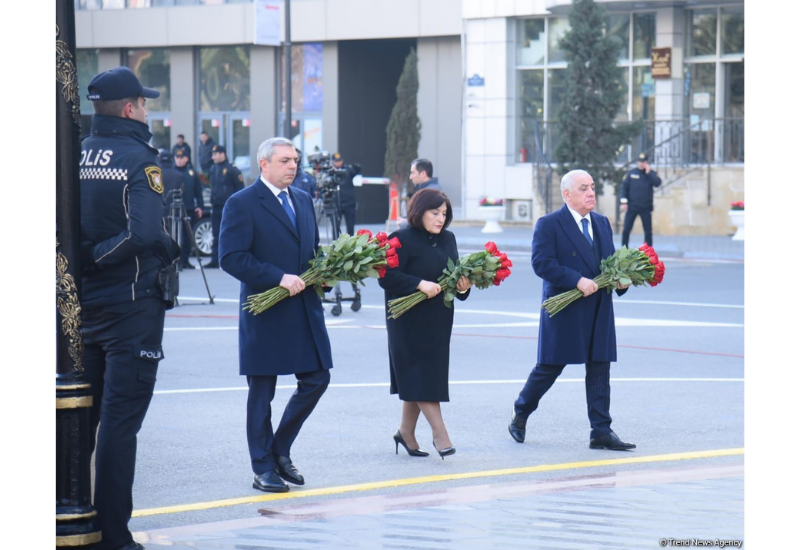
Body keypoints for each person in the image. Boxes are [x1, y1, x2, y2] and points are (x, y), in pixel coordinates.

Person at [79, 66, 180, 550]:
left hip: (79, 307)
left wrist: (80, 263)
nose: (147, 108)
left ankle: (71, 518)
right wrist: (101, 257)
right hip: (132, 306)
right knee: (119, 425)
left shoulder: (72, 153)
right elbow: (142, 233)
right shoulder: (141, 159)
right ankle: (112, 536)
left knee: (79, 420)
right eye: (143, 102)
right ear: (128, 108)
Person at [219, 137, 332, 493]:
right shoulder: (242, 203)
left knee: (317, 379)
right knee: (262, 391)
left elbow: (310, 251)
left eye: (295, 160)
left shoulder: (302, 199)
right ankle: (263, 467)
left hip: (303, 308)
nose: (293, 166)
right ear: (263, 164)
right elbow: (231, 257)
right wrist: (277, 277)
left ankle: (279, 450)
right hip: (266, 310)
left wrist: (323, 274)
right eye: (285, 160)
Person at [508, 169, 635, 451]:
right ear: (567, 195)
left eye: (592, 187)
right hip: (566, 304)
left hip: (598, 305)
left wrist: (624, 279)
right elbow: (542, 263)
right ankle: (520, 414)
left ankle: (601, 430)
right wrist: (576, 280)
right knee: (550, 366)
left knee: (600, 366)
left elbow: (609, 264)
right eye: (583, 189)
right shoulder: (549, 224)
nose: (591, 193)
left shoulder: (602, 223)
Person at [378, 188, 472, 459]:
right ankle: (440, 435)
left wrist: (464, 287)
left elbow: (454, 278)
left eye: (444, 213)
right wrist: (418, 284)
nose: (441, 218)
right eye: (435, 212)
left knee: (421, 376)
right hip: (407, 320)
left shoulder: (448, 239)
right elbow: (386, 277)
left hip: (439, 319)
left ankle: (405, 432)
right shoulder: (401, 238)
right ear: (419, 211)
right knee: (419, 375)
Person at [206, 144, 244, 268]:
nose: (213, 157)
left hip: (228, 207)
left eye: (215, 154)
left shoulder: (232, 169)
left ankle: (231, 259)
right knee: (216, 233)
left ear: (223, 154)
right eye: (212, 154)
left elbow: (240, 189)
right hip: (216, 206)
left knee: (230, 233)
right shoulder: (213, 169)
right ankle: (214, 259)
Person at [172, 147, 205, 270]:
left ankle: (185, 260)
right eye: (177, 157)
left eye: (181, 158)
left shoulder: (191, 173)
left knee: (186, 236)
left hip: (188, 208)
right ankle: (175, 260)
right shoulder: (171, 172)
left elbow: (198, 191)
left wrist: (200, 206)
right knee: (174, 235)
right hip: (174, 209)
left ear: (186, 159)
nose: (179, 160)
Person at [620, 152, 662, 247]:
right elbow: (624, 188)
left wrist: (649, 173)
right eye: (639, 161)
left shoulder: (651, 174)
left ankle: (648, 252)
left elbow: (657, 183)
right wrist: (623, 202)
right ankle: (624, 249)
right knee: (626, 229)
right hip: (632, 206)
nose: (641, 163)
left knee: (648, 231)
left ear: (647, 162)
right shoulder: (631, 173)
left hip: (645, 207)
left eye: (643, 161)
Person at [398, 158, 442, 228]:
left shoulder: (430, 192)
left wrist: (405, 222)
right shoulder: (426, 189)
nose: (410, 177)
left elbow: (424, 220)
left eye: (413, 173)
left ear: (423, 174)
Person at [331, 152, 361, 236]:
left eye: (339, 160)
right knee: (336, 228)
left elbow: (356, 170)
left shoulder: (347, 170)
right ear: (333, 162)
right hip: (336, 204)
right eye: (336, 161)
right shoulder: (331, 172)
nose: (338, 163)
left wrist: (356, 166)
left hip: (349, 203)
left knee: (350, 228)